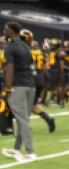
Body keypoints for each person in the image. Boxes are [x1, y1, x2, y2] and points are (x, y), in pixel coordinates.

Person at [2, 21, 38, 161]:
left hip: (18, 86)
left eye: (6, 29)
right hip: (31, 85)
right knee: (23, 119)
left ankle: (30, 152)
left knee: (22, 120)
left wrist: (7, 88)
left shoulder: (9, 48)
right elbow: (29, 64)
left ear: (12, 30)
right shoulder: (25, 45)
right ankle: (17, 149)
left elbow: (10, 70)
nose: (4, 31)